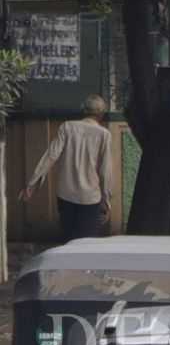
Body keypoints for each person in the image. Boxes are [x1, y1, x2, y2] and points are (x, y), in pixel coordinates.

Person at [22, 94, 113, 241]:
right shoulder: (104, 134)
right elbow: (105, 170)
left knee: (68, 240)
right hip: (90, 198)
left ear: (84, 110)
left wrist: (32, 183)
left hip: (66, 195)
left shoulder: (67, 127)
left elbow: (51, 155)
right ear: (101, 114)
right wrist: (107, 199)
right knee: (87, 243)